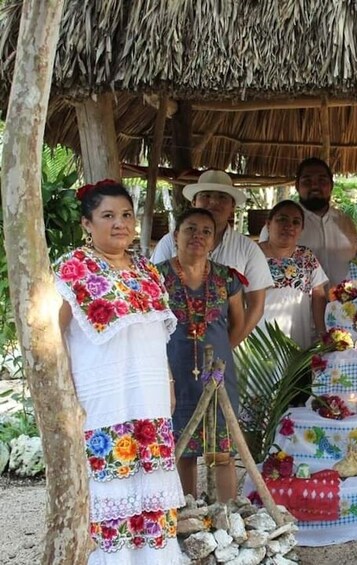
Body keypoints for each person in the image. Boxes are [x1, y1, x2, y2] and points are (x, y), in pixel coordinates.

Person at [54, 179, 184, 562]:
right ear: (86, 224)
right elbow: (53, 331)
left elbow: (159, 335)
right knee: (112, 483)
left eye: (126, 215)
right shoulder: (72, 268)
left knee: (152, 486)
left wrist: (170, 382)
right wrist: (63, 391)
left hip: (150, 394)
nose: (120, 224)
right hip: (102, 395)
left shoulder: (147, 270)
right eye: (107, 216)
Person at [157, 208, 245, 502]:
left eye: (206, 231)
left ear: (214, 241)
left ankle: (227, 516)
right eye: (190, 229)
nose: (198, 236)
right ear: (175, 235)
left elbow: (238, 322)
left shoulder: (226, 278)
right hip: (173, 374)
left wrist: (219, 352)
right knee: (183, 451)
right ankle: (187, 514)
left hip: (219, 374)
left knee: (223, 451)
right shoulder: (156, 278)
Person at [151, 170, 273, 344]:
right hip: (171, 347)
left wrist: (228, 348)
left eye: (222, 197)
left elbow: (256, 307)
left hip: (226, 350)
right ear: (194, 202)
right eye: (206, 195)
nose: (214, 202)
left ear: (232, 207)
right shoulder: (170, 241)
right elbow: (152, 293)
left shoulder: (248, 249)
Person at [260, 157, 357, 287]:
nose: (314, 186)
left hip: (345, 304)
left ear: (331, 185)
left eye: (322, 180)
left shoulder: (346, 222)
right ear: (297, 186)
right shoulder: (279, 226)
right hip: (299, 306)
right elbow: (262, 270)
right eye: (307, 181)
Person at [260, 200, 329, 348]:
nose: (289, 226)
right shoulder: (251, 255)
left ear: (301, 229)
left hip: (297, 337)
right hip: (258, 339)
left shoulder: (306, 256)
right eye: (282, 219)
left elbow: (318, 295)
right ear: (268, 224)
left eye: (296, 222)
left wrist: (322, 334)